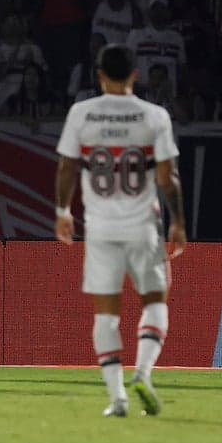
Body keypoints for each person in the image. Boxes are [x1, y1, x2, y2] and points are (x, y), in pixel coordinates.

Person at [54, 44, 186, 418]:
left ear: (99, 76)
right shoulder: (154, 116)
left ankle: (117, 399)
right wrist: (178, 221)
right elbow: (167, 177)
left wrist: (63, 211)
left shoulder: (82, 113)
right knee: (155, 302)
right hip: (143, 226)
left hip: (100, 229)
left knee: (105, 315)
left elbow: (66, 167)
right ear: (135, 75)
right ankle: (142, 374)